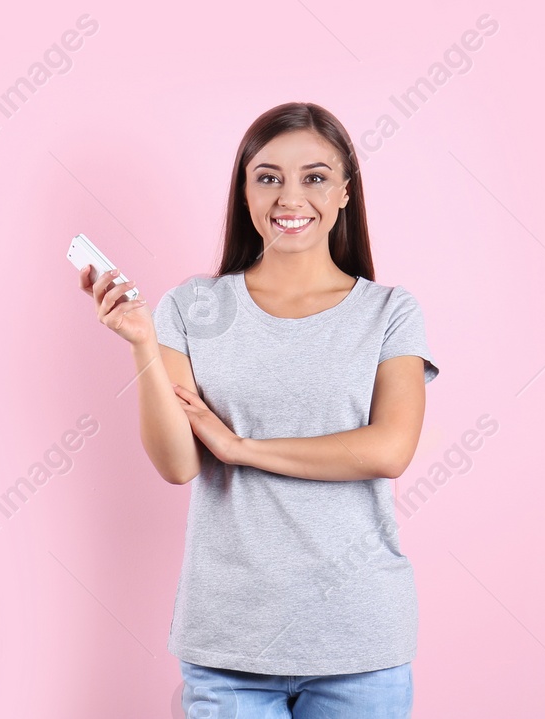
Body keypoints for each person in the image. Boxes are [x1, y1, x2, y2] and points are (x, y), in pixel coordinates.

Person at [78, 102, 437, 718]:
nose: (289, 196)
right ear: (244, 191)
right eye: (268, 176)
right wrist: (141, 341)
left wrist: (242, 448)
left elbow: (388, 450)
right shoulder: (192, 308)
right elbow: (176, 465)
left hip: (359, 641)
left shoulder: (391, 313)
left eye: (315, 177)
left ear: (346, 192)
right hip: (229, 645)